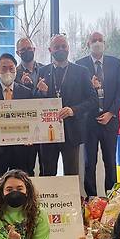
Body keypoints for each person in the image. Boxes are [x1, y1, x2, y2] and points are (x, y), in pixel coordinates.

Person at [35, 34, 98, 176]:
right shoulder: (42, 71)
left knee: (71, 174)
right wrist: (42, 93)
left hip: (72, 130)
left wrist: (73, 110)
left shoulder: (81, 71)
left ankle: (72, 199)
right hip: (47, 132)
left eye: (64, 46)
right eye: (56, 47)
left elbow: (93, 100)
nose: (61, 49)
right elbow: (34, 100)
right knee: (47, 174)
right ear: (50, 50)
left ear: (68, 48)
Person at [76, 32, 120, 197]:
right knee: (90, 163)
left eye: (100, 40)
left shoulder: (115, 63)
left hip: (110, 120)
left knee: (110, 161)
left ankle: (112, 197)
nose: (97, 43)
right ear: (87, 44)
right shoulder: (80, 65)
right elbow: (78, 94)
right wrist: (90, 86)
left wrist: (111, 112)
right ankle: (91, 198)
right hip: (89, 122)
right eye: (93, 41)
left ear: (104, 43)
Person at [0, 54, 34, 177]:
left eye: (11, 68)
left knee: (23, 179)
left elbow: (33, 118)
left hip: (22, 147)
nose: (8, 71)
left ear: (16, 69)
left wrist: (32, 136)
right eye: (4, 68)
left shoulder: (26, 92)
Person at [15, 37, 46, 175]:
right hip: (25, 126)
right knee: (26, 168)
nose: (27, 51)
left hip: (45, 123)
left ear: (34, 49)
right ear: (18, 53)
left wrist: (45, 91)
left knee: (47, 166)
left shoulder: (46, 70)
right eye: (23, 50)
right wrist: (21, 87)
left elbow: (54, 96)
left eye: (29, 48)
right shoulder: (13, 73)